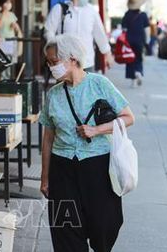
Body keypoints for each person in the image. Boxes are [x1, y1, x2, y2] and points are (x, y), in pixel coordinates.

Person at [39, 34, 135, 252]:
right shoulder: (53, 94)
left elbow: (128, 117)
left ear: (72, 59)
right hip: (62, 167)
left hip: (98, 166)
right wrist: (45, 177)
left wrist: (97, 129)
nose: (50, 67)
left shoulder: (99, 84)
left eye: (54, 62)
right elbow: (48, 137)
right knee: (65, 228)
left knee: (104, 225)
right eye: (49, 63)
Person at [44, 0, 112, 73]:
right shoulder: (59, 9)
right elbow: (48, 30)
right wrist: (55, 49)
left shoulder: (91, 11)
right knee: (66, 87)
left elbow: (99, 34)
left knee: (87, 87)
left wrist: (107, 53)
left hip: (87, 63)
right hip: (65, 62)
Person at [121, 0, 149, 87]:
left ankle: (133, 81)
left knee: (130, 59)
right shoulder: (143, 15)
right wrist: (147, 41)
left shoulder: (127, 15)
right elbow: (147, 30)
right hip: (139, 40)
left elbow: (123, 29)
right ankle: (138, 72)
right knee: (138, 58)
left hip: (128, 41)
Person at [0, 0, 22, 78]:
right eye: (6, 2)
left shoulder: (12, 15)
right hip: (2, 40)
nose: (9, 4)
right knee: (2, 61)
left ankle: (9, 78)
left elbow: (16, 27)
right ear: (1, 4)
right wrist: (4, 13)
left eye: (10, 2)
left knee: (10, 61)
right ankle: (2, 78)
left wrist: (15, 27)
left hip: (11, 40)